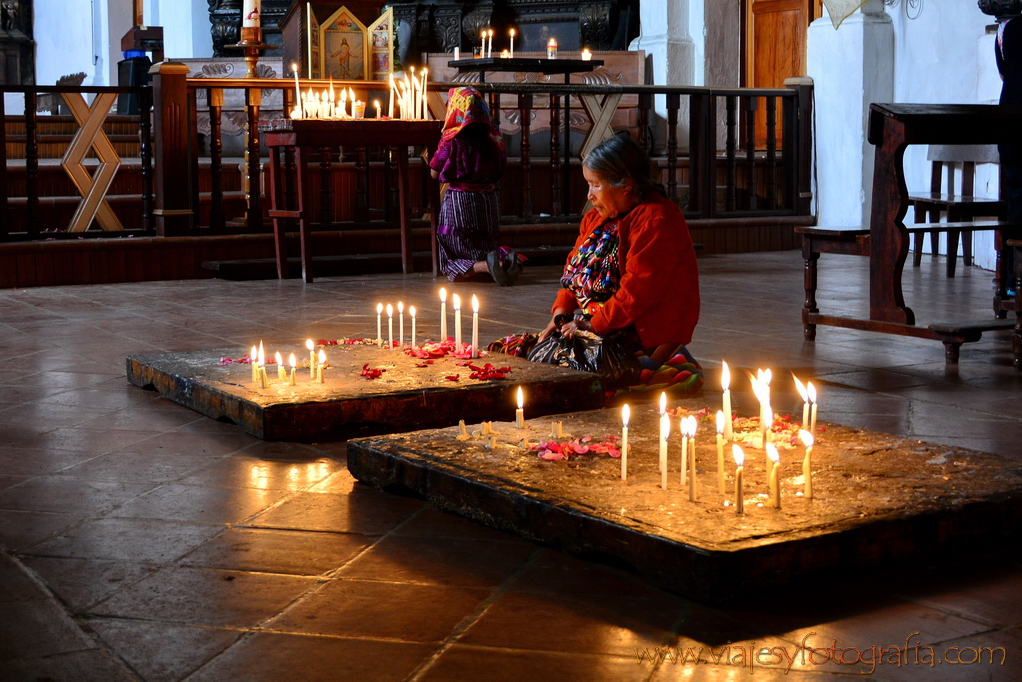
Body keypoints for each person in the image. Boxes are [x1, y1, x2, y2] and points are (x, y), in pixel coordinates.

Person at [534, 134, 702, 393]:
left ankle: (660, 360)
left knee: (590, 376)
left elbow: (639, 289)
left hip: (642, 330)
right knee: (533, 353)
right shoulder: (594, 219)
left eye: (596, 185)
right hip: (605, 321)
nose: (590, 195)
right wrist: (560, 315)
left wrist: (593, 326)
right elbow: (574, 272)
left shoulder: (657, 219)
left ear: (626, 185)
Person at [429, 87, 516, 284]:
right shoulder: (494, 137)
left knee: (452, 255)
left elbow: (434, 172)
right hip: (488, 202)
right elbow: (502, 167)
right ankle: (501, 264)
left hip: (461, 202)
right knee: (485, 245)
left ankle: (484, 266)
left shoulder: (451, 139)